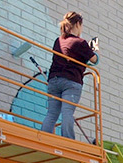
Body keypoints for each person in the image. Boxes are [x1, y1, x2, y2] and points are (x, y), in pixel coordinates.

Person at [41, 11, 99, 140]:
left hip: (54, 80)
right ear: (78, 24)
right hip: (71, 81)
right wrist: (93, 49)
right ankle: (68, 140)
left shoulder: (59, 40)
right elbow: (94, 60)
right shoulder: (81, 42)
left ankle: (44, 138)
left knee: (52, 113)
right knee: (67, 112)